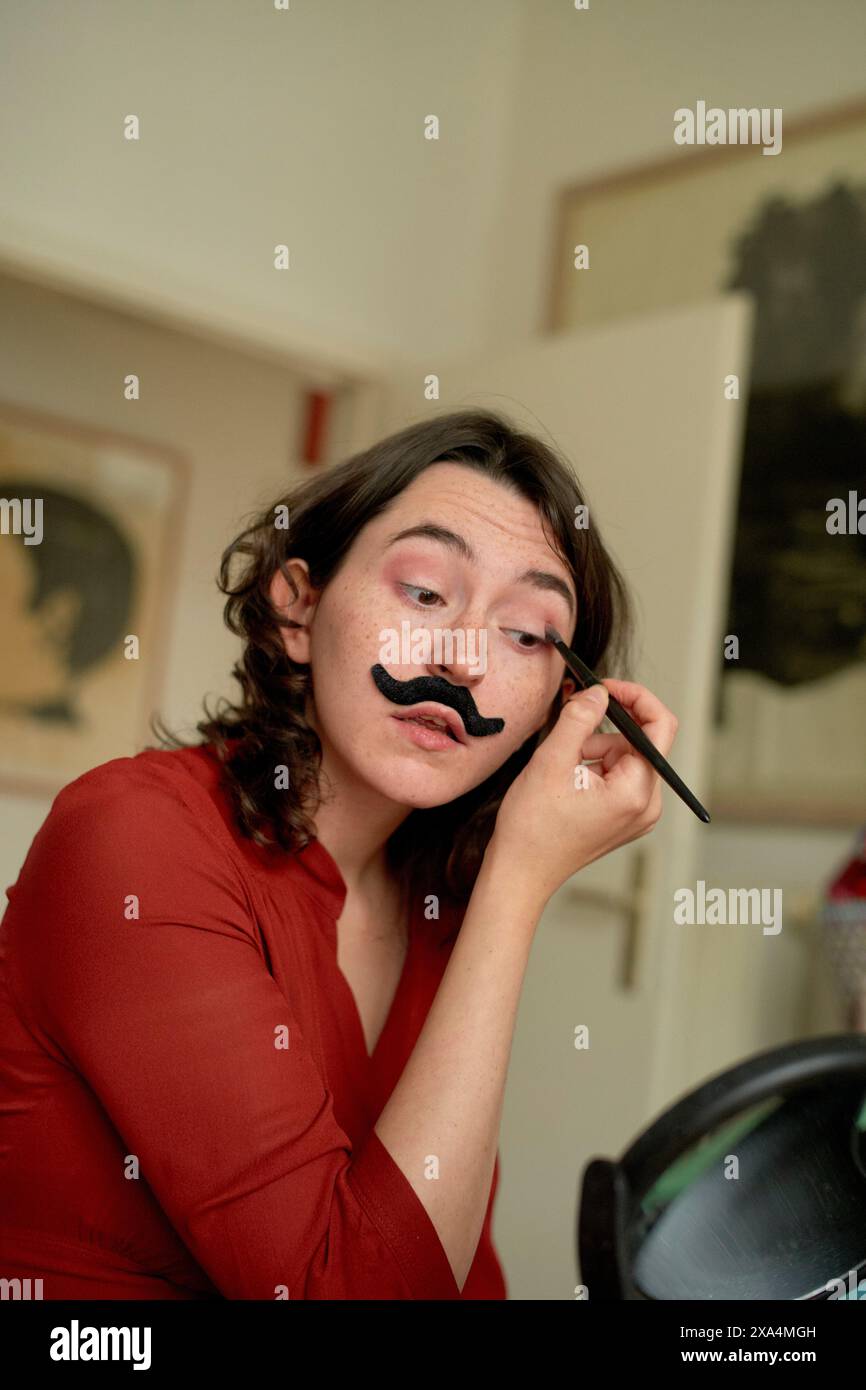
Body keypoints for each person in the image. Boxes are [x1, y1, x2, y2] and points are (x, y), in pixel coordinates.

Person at [0, 409, 678, 1299]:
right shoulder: (133, 836)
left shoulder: (437, 903)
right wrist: (520, 883)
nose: (464, 658)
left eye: (527, 634)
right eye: (426, 592)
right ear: (296, 607)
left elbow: (452, 1271)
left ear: (560, 703)